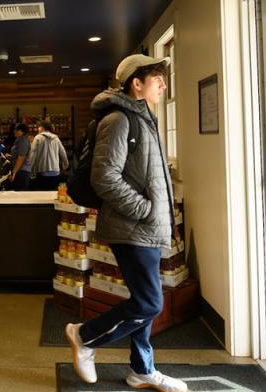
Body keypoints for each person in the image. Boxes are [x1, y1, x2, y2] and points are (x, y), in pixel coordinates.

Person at [65, 54, 186, 392]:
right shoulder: (119, 120)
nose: (163, 85)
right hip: (132, 227)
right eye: (157, 79)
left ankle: (141, 369)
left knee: (142, 300)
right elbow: (105, 178)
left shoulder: (144, 119)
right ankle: (85, 336)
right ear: (137, 83)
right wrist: (146, 210)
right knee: (149, 302)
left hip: (144, 227)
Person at [29, 120, 69, 190]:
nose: (38, 129)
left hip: (42, 171)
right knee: (53, 194)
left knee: (43, 195)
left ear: (42, 127)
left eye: (39, 127)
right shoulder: (56, 138)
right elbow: (63, 153)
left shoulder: (38, 137)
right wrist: (65, 165)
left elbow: (33, 153)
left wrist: (30, 169)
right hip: (56, 172)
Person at [8, 123, 31, 191]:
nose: (14, 131)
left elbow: (21, 157)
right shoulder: (19, 140)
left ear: (22, 131)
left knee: (20, 194)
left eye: (17, 130)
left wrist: (14, 172)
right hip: (20, 170)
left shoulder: (23, 141)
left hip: (22, 171)